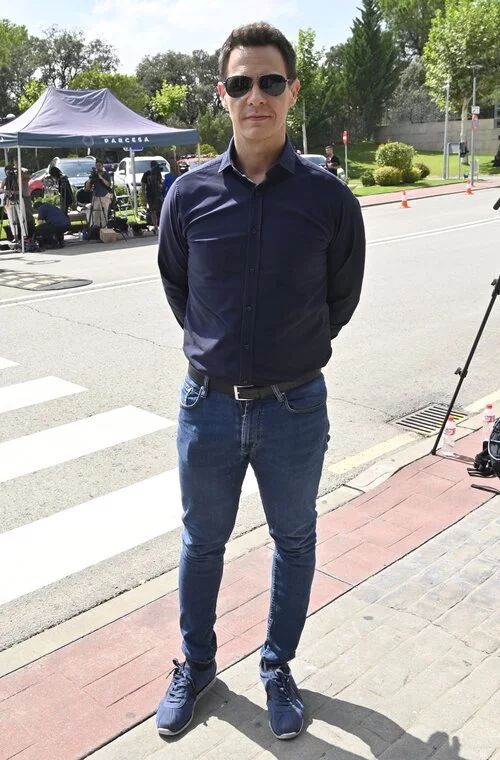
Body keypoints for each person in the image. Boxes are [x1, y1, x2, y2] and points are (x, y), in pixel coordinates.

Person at [156, 22, 365, 741]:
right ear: (223, 94)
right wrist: (219, 349)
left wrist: (291, 351)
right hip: (207, 406)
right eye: (241, 83)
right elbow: (180, 288)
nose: (256, 97)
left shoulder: (329, 198)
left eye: (270, 82)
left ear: (292, 91)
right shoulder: (187, 195)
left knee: (295, 541)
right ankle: (196, 665)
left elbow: (341, 297)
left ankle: (276, 665)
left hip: (294, 407)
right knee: (201, 543)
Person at [85, 160, 112, 229]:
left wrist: (101, 178)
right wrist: (90, 180)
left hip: (104, 196)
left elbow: (108, 185)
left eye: (99, 166)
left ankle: (104, 230)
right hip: (96, 196)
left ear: (102, 166)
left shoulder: (106, 174)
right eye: (96, 166)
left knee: (104, 215)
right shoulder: (94, 175)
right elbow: (87, 188)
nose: (98, 167)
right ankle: (96, 230)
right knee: (95, 215)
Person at [141, 160, 163, 233]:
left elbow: (143, 186)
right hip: (157, 194)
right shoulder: (157, 173)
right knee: (158, 210)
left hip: (150, 194)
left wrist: (144, 196)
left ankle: (156, 225)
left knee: (153, 211)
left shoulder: (146, 174)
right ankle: (159, 224)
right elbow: (160, 184)